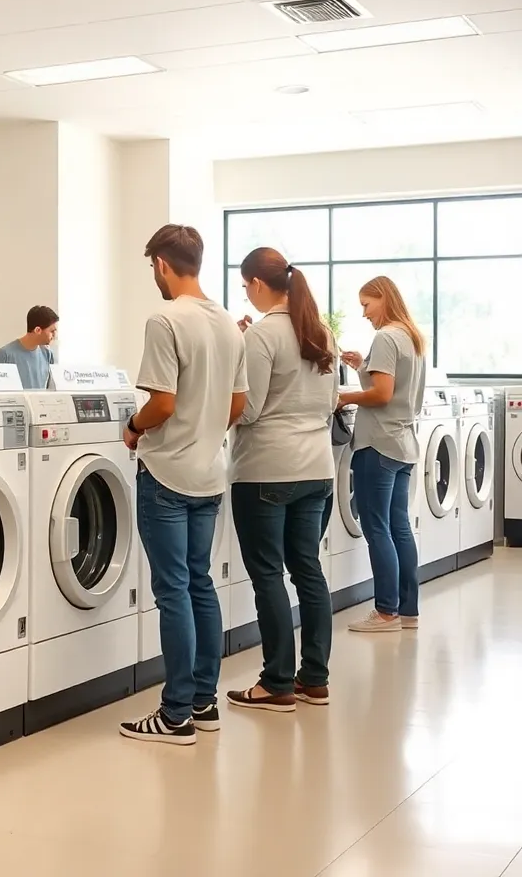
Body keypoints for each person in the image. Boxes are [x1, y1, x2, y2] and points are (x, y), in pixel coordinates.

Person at [119, 224, 247, 746]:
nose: (155, 275)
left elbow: (163, 402)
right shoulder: (228, 325)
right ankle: (204, 703)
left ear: (163, 265)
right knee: (200, 584)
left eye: (153, 266)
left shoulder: (165, 319)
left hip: (167, 473)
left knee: (172, 591)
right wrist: (204, 431)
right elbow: (237, 405)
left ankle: (174, 716)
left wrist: (132, 428)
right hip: (209, 474)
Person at [226, 248, 338, 712]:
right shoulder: (321, 332)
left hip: (268, 471)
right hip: (317, 468)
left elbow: (247, 411)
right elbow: (332, 401)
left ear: (254, 284)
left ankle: (276, 683)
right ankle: (313, 678)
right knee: (308, 570)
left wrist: (232, 364)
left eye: (245, 286)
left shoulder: (262, 336)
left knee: (268, 575)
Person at [338, 276, 426, 632]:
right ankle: (408, 611)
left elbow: (382, 394)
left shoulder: (387, 336)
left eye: (366, 304)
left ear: (383, 298)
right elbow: (394, 387)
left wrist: (343, 397)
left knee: (377, 529)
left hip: (377, 444)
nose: (363, 314)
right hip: (403, 444)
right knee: (399, 527)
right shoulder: (412, 337)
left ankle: (385, 612)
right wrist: (363, 366)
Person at [0, 306, 58, 389]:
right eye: (52, 331)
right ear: (37, 330)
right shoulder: (4, 355)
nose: (55, 335)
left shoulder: (48, 354)